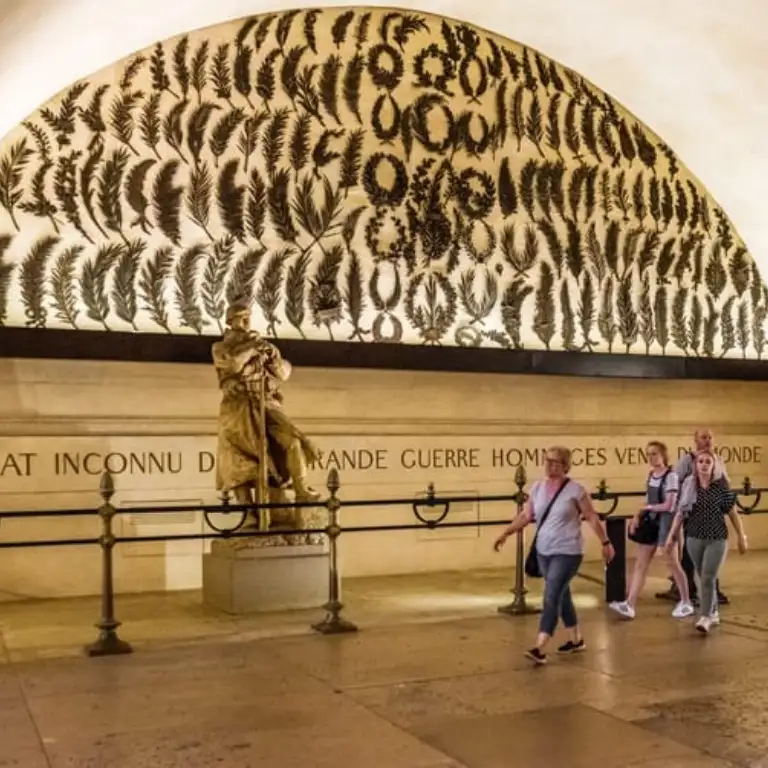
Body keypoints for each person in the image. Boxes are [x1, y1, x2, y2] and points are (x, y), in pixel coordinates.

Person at [493, 446, 615, 665]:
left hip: (568, 551)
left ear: (566, 466)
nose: (550, 465)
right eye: (548, 461)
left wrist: (605, 542)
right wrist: (506, 533)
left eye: (556, 462)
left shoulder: (576, 490)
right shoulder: (538, 488)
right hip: (544, 550)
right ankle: (576, 639)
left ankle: (539, 646)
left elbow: (591, 516)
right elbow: (526, 515)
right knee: (562, 594)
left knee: (551, 596)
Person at [212, 303, 320, 529]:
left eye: (248, 318)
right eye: (241, 318)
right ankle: (248, 511)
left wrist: (273, 356)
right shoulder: (221, 347)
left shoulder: (264, 346)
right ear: (230, 321)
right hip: (239, 407)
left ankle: (301, 490)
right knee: (238, 458)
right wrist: (253, 347)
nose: (246, 322)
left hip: (268, 403)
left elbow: (283, 373)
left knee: (293, 441)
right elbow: (232, 365)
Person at [608, 441, 693, 620]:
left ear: (663, 455)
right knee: (640, 564)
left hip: (666, 523)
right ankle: (630, 604)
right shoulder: (651, 475)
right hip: (652, 522)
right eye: (649, 454)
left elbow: (669, 505)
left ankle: (686, 601)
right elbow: (648, 498)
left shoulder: (671, 476)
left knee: (672, 563)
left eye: (655, 453)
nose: (651, 457)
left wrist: (646, 508)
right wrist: (637, 515)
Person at [665, 448, 747, 633]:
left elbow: (733, 514)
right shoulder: (689, 485)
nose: (703, 465)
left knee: (708, 577)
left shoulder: (720, 488)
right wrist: (671, 536)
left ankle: (705, 616)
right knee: (702, 576)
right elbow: (680, 513)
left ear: (713, 466)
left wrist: (741, 537)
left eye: (707, 462)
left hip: (716, 538)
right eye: (700, 461)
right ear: (695, 465)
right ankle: (714, 611)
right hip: (694, 537)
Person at [657, 428, 730, 606]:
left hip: (713, 512)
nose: (708, 440)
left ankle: (712, 592)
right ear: (696, 440)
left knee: (712, 555)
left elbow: (725, 483)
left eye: (710, 437)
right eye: (704, 437)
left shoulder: (718, 460)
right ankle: (688, 589)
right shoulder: (687, 460)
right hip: (693, 511)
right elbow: (677, 482)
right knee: (691, 555)